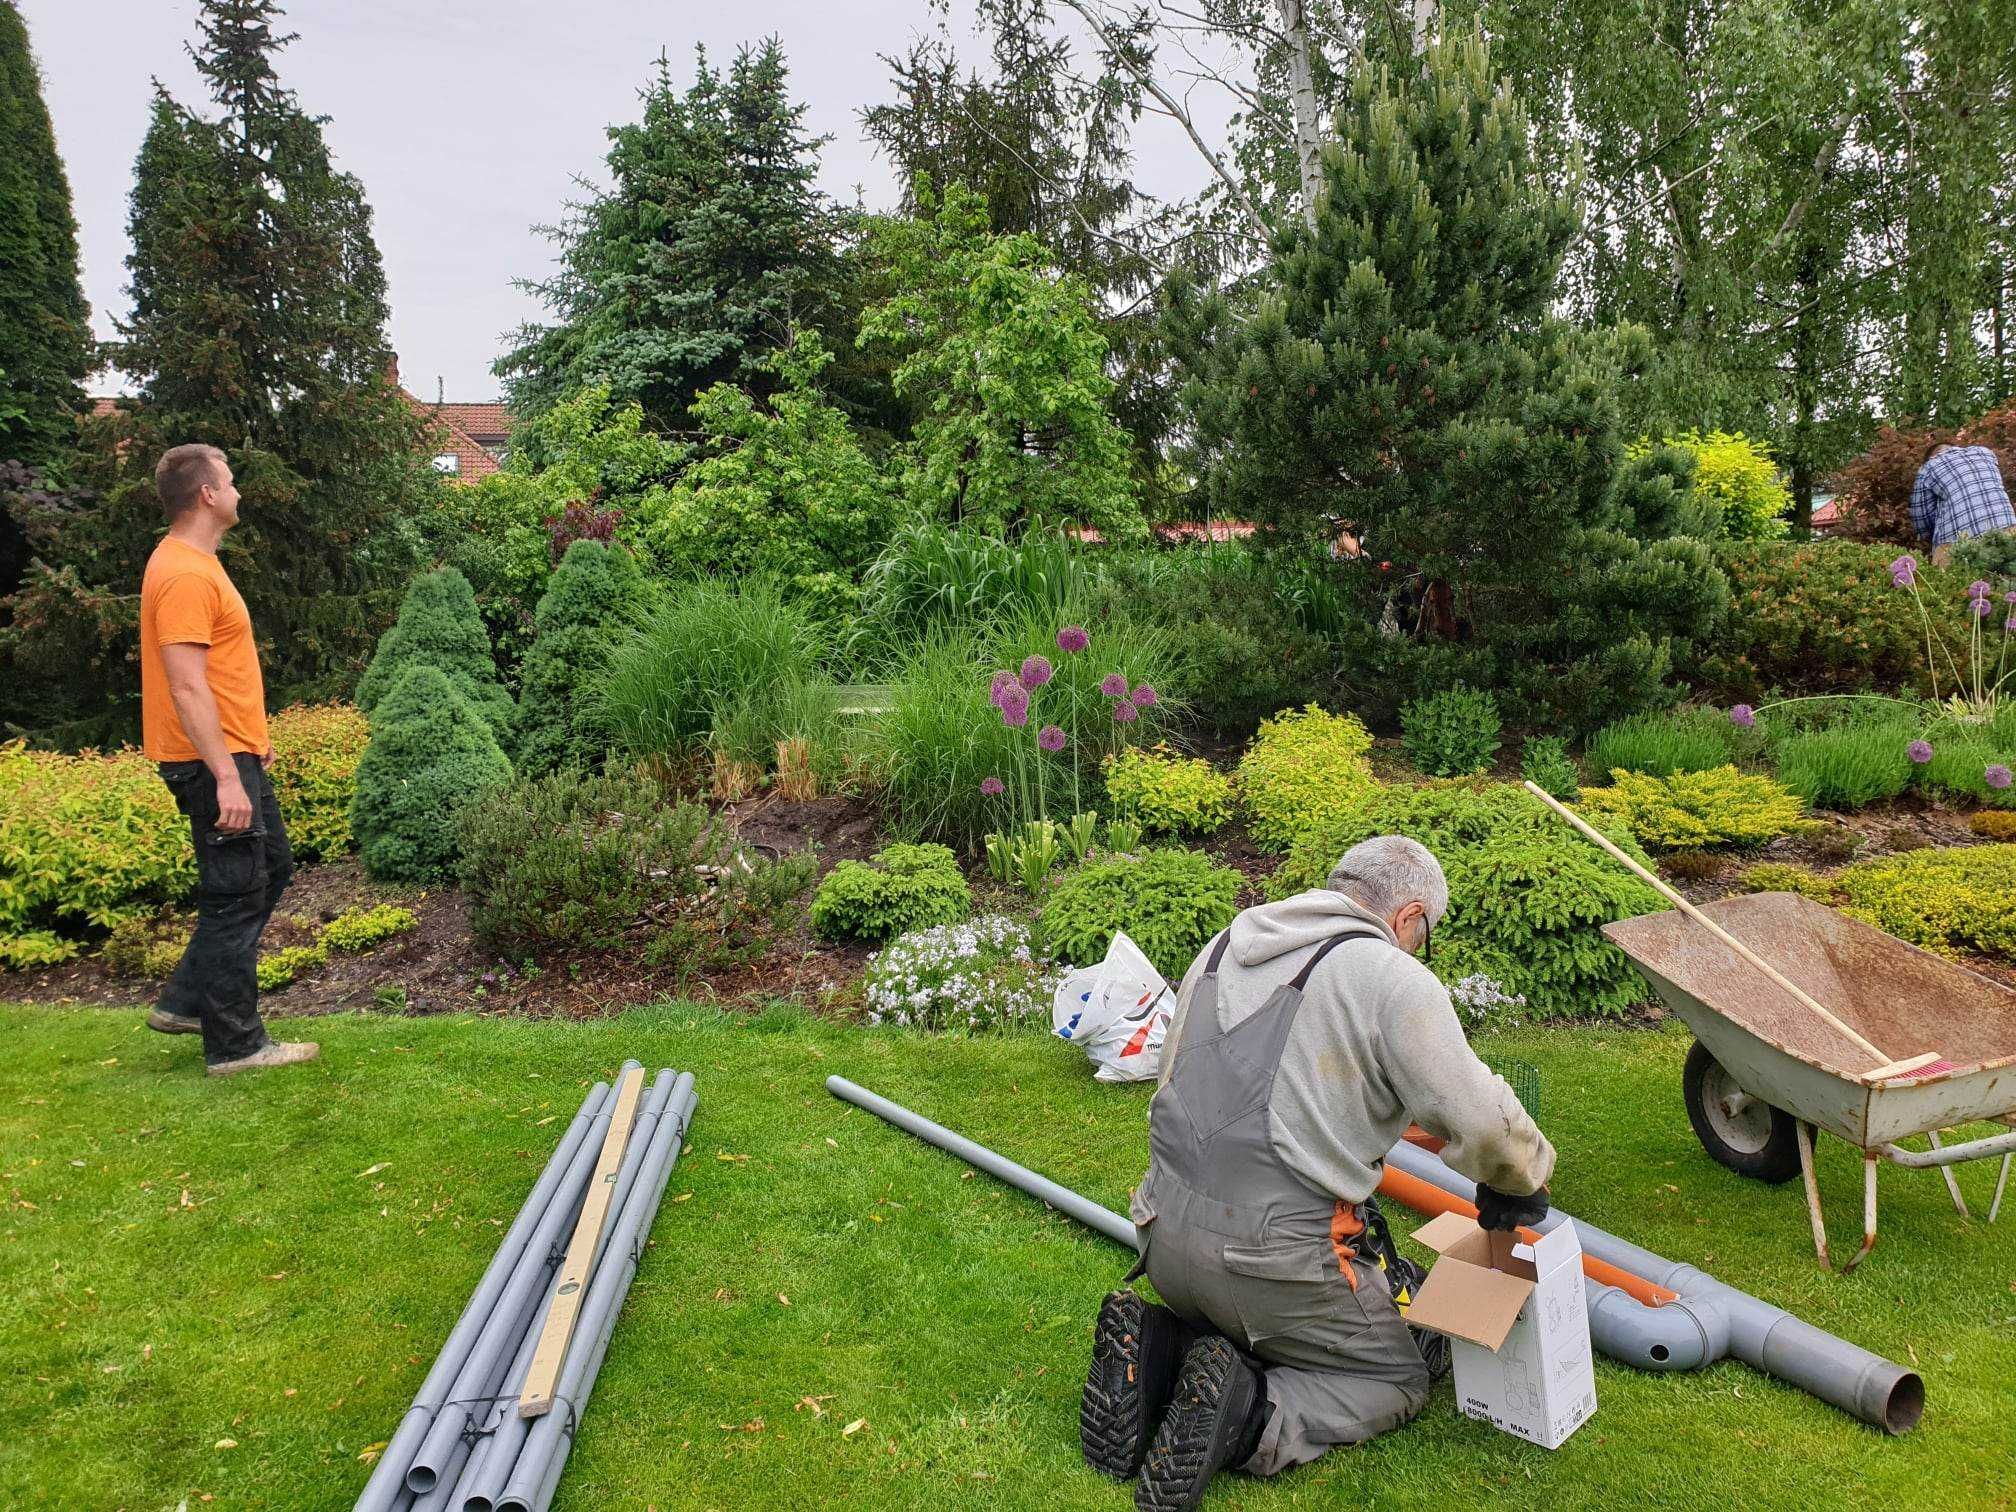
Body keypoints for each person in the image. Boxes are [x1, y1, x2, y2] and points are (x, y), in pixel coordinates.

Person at [1080, 836, 1552, 1510]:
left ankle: (1162, 1347)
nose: (1420, 949)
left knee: (1297, 1286)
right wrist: (1521, 1179)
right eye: (1427, 936)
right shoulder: (1389, 979)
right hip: (1272, 1267)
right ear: (1409, 917)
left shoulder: (1223, 946)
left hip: (1162, 1236)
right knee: (1399, 1375)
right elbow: (1480, 1119)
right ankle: (1250, 1412)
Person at [139, 443, 318, 1077]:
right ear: (208, 495)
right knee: (235, 895)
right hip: (209, 761)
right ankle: (236, 1045)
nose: (239, 491)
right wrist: (223, 775)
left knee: (269, 866)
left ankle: (188, 1000)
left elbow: (215, 674)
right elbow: (185, 684)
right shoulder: (186, 573)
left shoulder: (195, 563)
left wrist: (248, 735)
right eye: (232, 481)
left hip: (234, 749)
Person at [1910, 442, 2015, 567]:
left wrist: (1927, 536)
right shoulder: (1985, 452)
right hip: (2009, 528)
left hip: (1959, 542)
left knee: (1955, 582)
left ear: (1932, 456)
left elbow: (1921, 516)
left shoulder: (1929, 467)